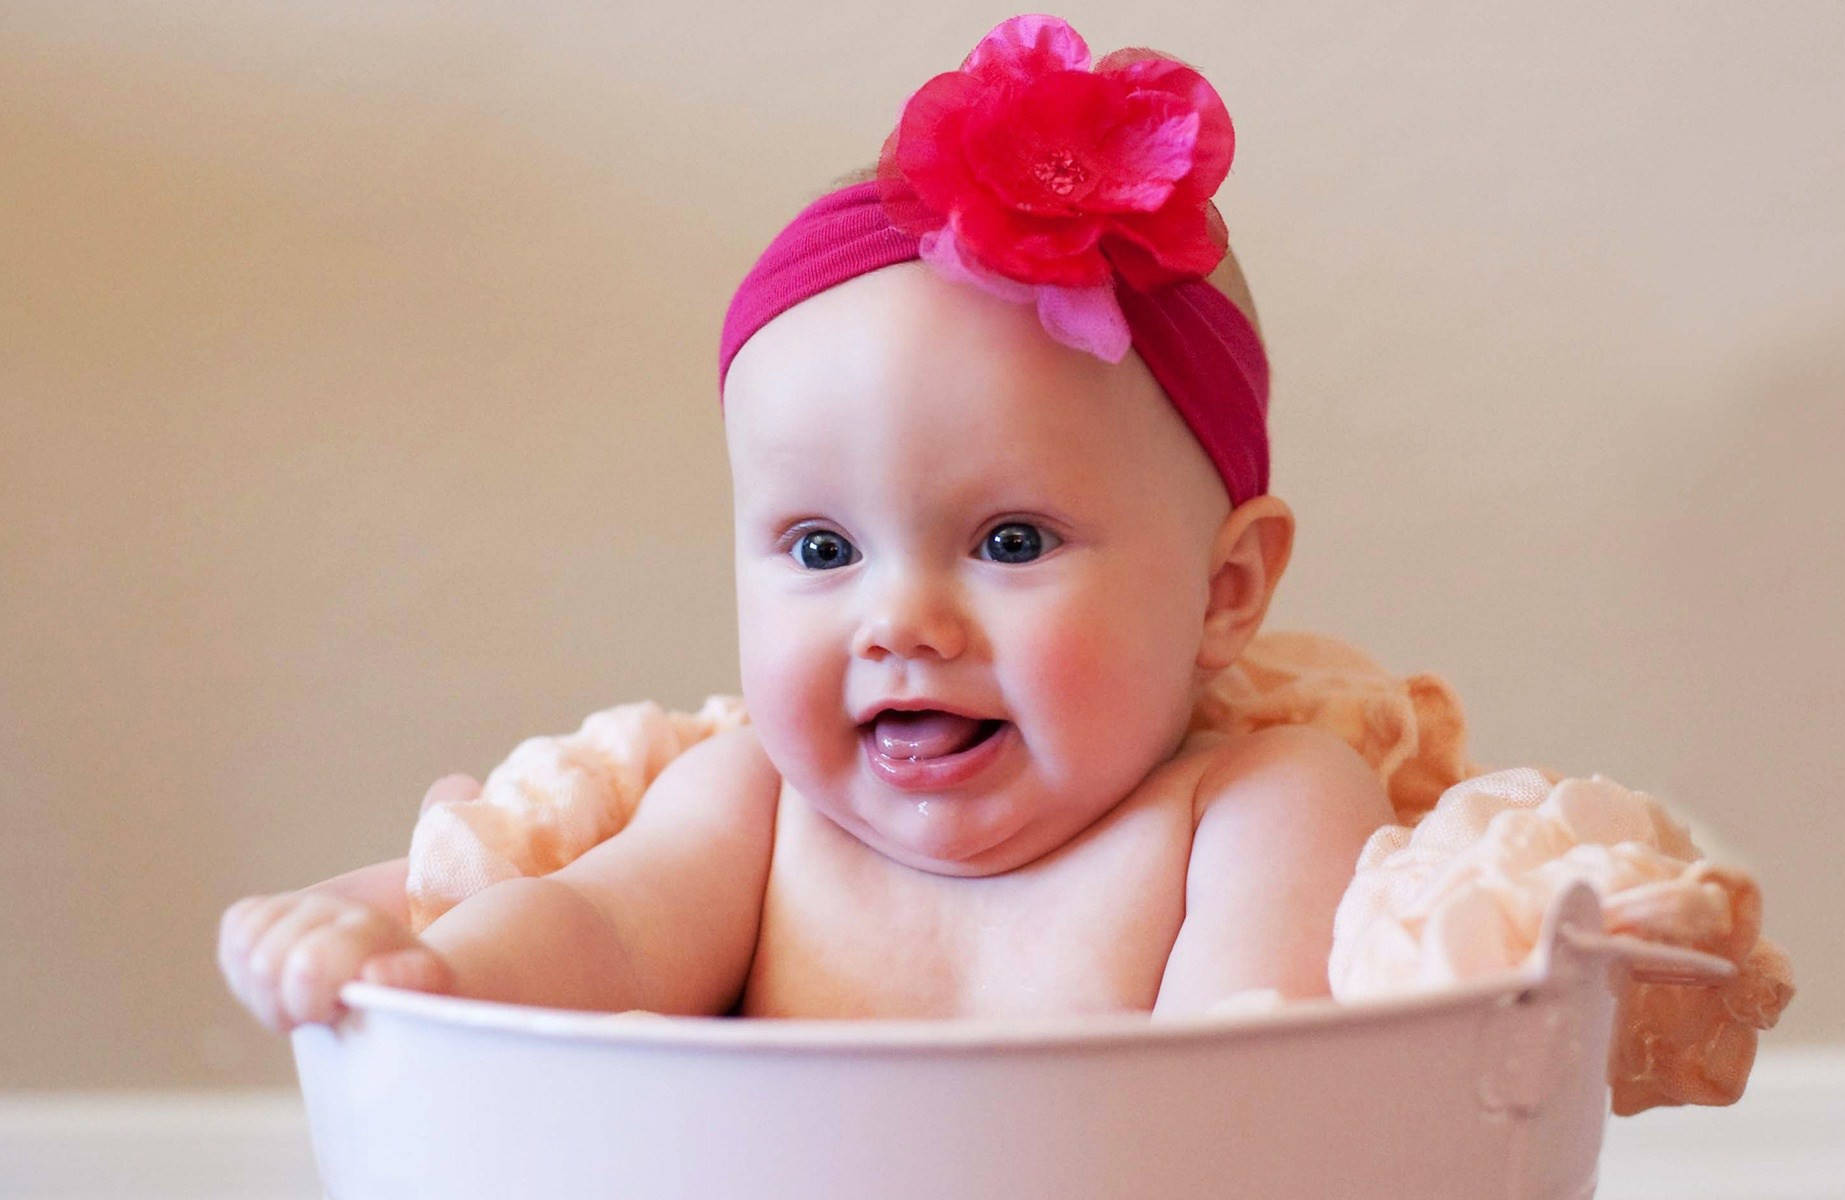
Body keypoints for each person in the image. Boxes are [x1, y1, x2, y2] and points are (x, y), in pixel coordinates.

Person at [218, 13, 1395, 1032]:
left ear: (1224, 589)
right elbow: (597, 934)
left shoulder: (1254, 807)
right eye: (824, 550)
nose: (904, 621)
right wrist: (434, 972)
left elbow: (1245, 1087)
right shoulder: (755, 806)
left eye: (1011, 542)